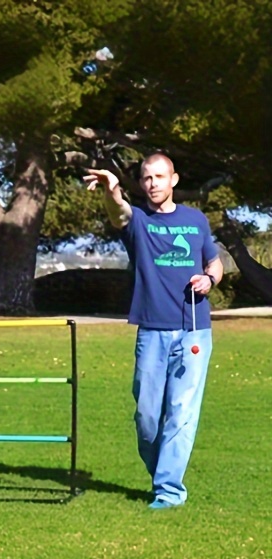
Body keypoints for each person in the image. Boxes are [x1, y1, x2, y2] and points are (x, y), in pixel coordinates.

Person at [84, 154, 224, 509]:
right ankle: (163, 471)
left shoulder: (195, 220)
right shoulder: (139, 221)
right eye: (146, 178)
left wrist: (209, 279)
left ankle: (168, 490)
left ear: (173, 180)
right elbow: (120, 213)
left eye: (159, 177)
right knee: (147, 417)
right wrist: (112, 191)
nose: (153, 184)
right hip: (151, 331)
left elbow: (215, 261)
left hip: (193, 330)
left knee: (181, 412)